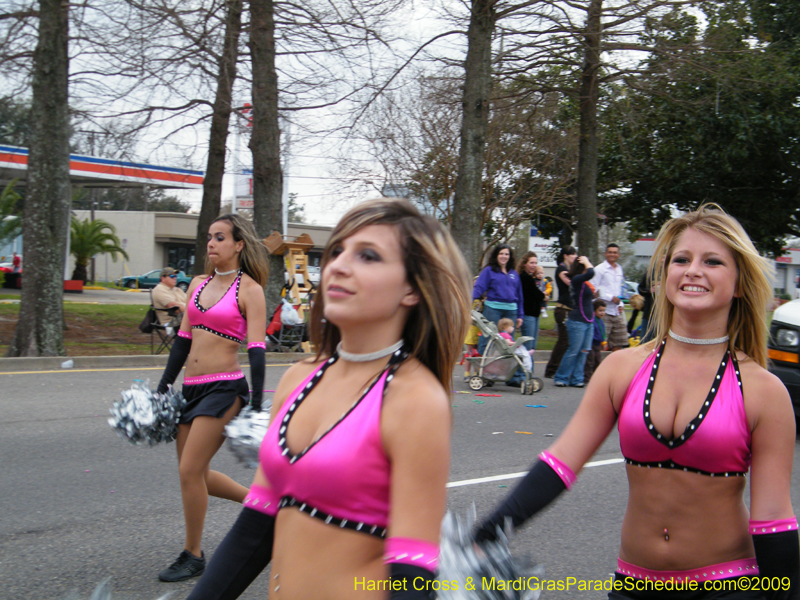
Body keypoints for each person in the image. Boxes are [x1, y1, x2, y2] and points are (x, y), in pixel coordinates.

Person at [475, 204, 798, 599]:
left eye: (712, 261)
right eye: (682, 259)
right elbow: (560, 463)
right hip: (633, 586)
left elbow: (772, 518)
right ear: (664, 275)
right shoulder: (620, 369)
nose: (693, 270)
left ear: (740, 283)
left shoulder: (764, 390)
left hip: (728, 585)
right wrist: (488, 531)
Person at [186, 198, 471, 600]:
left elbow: (414, 567)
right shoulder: (298, 378)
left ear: (411, 288)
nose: (338, 264)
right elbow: (255, 527)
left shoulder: (416, 400)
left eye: (368, 256)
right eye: (337, 250)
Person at [154, 213, 268, 583]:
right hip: (192, 389)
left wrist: (253, 402)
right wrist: (164, 386)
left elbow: (256, 348)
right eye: (209, 237)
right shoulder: (199, 283)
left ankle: (193, 553)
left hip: (225, 389)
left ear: (238, 244)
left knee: (189, 470)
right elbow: (183, 340)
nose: (211, 243)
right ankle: (262, 504)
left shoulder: (249, 289)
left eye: (220, 237)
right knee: (195, 473)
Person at [472, 244, 523, 355]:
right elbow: (479, 288)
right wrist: (467, 301)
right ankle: (482, 368)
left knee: (508, 341)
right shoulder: (489, 271)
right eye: (501, 253)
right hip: (493, 309)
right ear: (496, 255)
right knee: (488, 338)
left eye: (506, 254)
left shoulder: (514, 273)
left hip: (511, 311)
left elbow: (519, 295)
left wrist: (520, 315)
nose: (504, 256)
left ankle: (504, 369)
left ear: (510, 257)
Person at [553, 256, 595, 388]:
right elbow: (591, 272)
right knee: (573, 350)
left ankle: (577, 378)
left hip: (588, 321)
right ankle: (561, 377)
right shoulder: (576, 280)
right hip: (577, 321)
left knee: (584, 351)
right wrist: (587, 262)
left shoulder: (583, 282)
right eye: (587, 264)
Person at [544, 247, 577, 378]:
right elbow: (571, 283)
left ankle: (561, 369)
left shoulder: (570, 270)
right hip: (563, 310)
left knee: (568, 342)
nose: (575, 257)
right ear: (565, 256)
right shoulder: (561, 269)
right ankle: (551, 370)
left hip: (570, 309)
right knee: (563, 341)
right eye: (572, 255)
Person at [593, 243, 628, 351]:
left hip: (617, 311)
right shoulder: (599, 269)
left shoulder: (619, 269)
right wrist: (610, 297)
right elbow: (593, 288)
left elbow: (621, 288)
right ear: (605, 254)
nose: (612, 254)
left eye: (615, 252)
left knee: (620, 341)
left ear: (618, 255)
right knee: (601, 342)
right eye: (610, 252)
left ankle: (613, 366)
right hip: (604, 311)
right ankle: (598, 365)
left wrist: (621, 303)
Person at [517, 252, 545, 353]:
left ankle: (529, 369)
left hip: (534, 314)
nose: (534, 265)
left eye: (535, 263)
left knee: (532, 347)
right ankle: (523, 369)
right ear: (525, 263)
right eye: (531, 263)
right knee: (528, 347)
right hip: (528, 315)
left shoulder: (530, 278)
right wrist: (543, 296)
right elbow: (538, 295)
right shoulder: (525, 278)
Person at [583, 299, 607, 382]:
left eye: (603, 311)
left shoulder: (601, 321)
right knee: (590, 361)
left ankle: (596, 377)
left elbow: (602, 332)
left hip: (598, 344)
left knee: (598, 361)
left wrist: (603, 341)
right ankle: (587, 377)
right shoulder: (592, 320)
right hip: (591, 344)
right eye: (600, 310)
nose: (602, 313)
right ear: (594, 310)